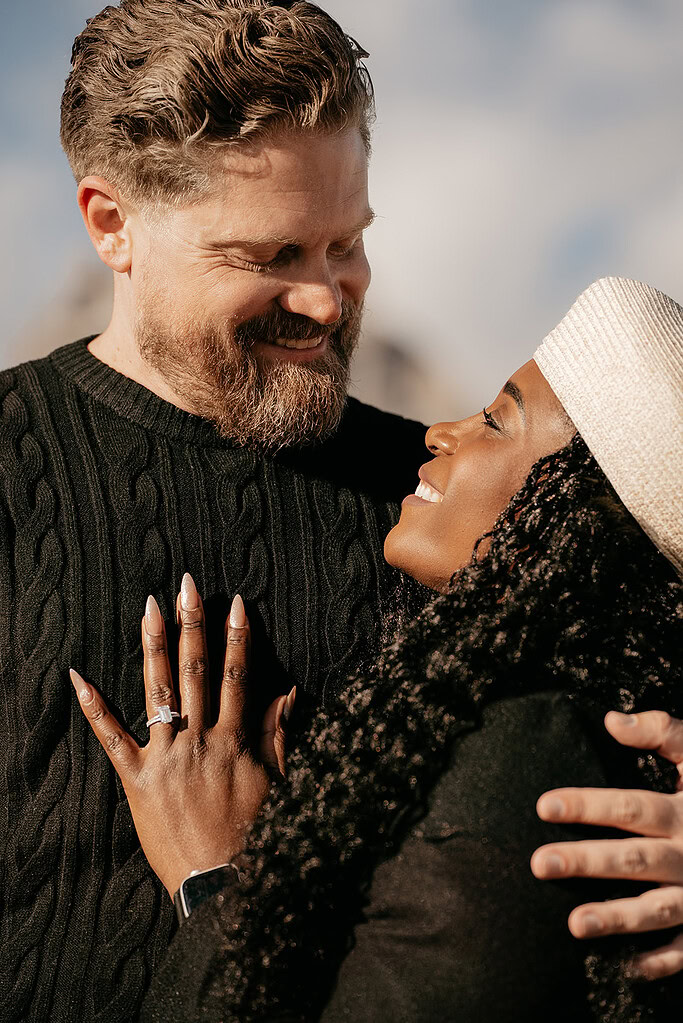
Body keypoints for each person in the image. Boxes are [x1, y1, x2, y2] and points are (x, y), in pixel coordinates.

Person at [74, 276, 683, 1020]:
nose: (440, 431)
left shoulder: (533, 760)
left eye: (495, 421)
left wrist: (217, 880)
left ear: (579, 520)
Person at [0, 5, 427, 1022]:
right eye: (270, 255)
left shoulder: (443, 497)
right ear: (112, 225)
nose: (326, 298)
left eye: (345, 244)